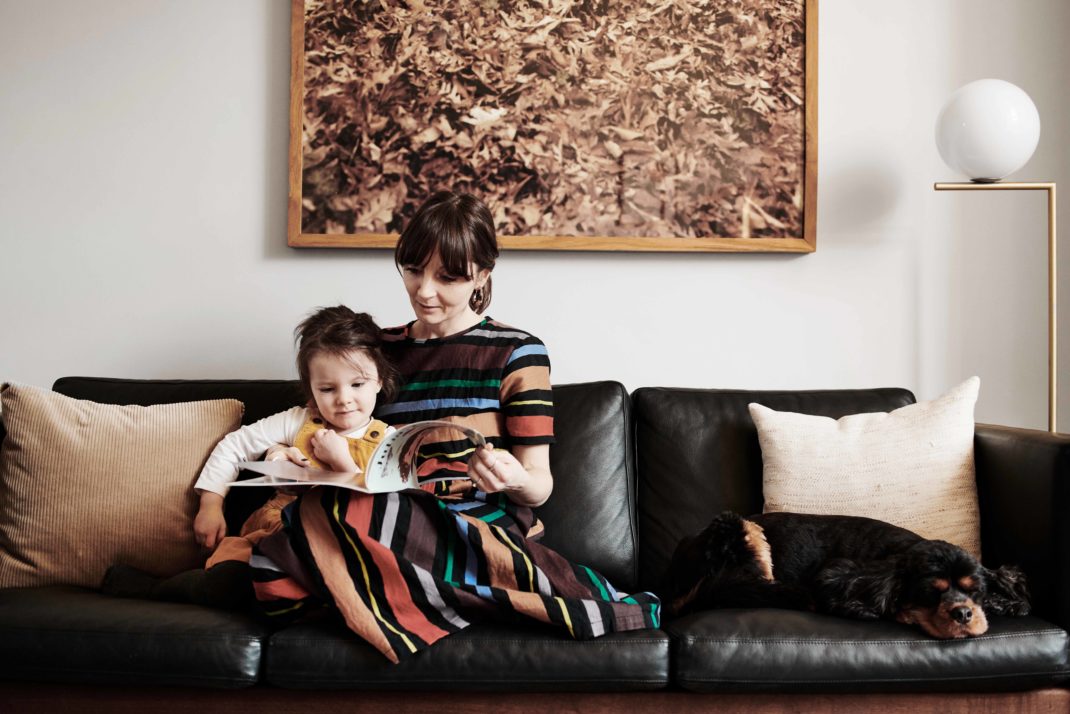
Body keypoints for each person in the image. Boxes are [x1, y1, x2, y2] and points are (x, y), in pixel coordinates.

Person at [251, 191, 660, 663]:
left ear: (482, 275)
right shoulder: (376, 353)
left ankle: (400, 591)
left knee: (319, 536)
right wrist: (290, 458)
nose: (424, 290)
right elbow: (326, 425)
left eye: (447, 276)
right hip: (386, 518)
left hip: (478, 526)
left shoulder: (517, 352)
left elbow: (539, 487)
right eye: (412, 270)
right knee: (276, 560)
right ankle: (432, 592)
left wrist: (513, 478)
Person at [101, 306, 398, 607]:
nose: (344, 399)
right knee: (228, 579)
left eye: (357, 384)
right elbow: (234, 446)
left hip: (335, 545)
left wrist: (341, 462)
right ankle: (157, 589)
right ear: (311, 391)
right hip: (275, 535)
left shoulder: (387, 440)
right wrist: (211, 503)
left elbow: (386, 510)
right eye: (327, 388)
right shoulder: (299, 420)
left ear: (379, 380)